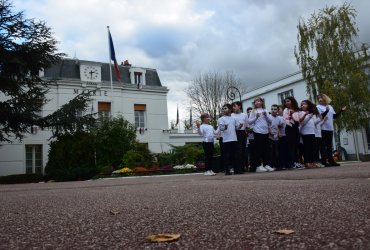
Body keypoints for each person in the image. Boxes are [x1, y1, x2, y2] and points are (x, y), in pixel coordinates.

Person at [316, 94, 346, 166]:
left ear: (325, 98)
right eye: (318, 98)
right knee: (323, 146)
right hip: (322, 128)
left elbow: (334, 116)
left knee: (329, 145)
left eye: (321, 98)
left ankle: (331, 160)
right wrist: (326, 111)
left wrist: (341, 111)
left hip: (330, 128)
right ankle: (324, 161)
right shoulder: (318, 107)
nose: (319, 99)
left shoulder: (330, 107)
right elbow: (320, 116)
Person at [247, 97, 274, 172]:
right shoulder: (253, 111)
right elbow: (249, 122)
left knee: (266, 149)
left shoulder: (265, 110)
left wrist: (266, 115)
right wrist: (256, 117)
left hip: (265, 132)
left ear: (262, 102)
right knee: (258, 149)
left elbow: (270, 121)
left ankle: (267, 164)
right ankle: (258, 166)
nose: (256, 103)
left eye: (258, 101)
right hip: (257, 131)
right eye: (255, 102)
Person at [216, 104, 239, 175]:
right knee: (227, 155)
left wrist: (239, 126)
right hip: (226, 139)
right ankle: (227, 170)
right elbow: (221, 128)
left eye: (225, 108)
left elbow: (236, 128)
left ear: (230, 109)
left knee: (234, 155)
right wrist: (224, 127)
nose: (223, 110)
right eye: (223, 109)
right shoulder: (221, 119)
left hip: (234, 138)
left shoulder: (233, 118)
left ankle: (236, 169)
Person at [283, 96, 303, 169]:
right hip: (289, 128)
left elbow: (299, 120)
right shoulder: (286, 110)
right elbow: (286, 120)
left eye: (288, 101)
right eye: (285, 102)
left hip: (295, 128)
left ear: (292, 101)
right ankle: (292, 163)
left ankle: (296, 161)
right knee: (291, 146)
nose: (287, 103)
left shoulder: (297, 110)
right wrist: (290, 115)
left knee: (296, 146)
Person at [299, 100, 318, 169]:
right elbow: (302, 123)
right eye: (302, 104)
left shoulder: (311, 114)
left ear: (308, 105)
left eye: (305, 104)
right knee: (307, 148)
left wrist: (320, 119)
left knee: (312, 148)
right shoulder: (301, 113)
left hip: (312, 132)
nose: (303, 105)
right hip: (305, 133)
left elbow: (314, 123)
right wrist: (307, 116)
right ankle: (306, 162)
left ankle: (312, 162)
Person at [231, 101, 248, 173]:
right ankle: (237, 169)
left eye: (235, 106)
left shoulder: (244, 115)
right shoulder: (232, 115)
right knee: (238, 151)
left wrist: (247, 130)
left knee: (243, 150)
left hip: (243, 133)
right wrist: (238, 127)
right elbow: (232, 126)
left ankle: (242, 167)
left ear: (239, 106)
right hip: (235, 133)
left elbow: (247, 125)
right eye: (233, 106)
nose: (233, 108)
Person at [269, 104, 284, 170]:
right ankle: (272, 165)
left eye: (275, 109)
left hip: (276, 137)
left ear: (277, 110)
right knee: (271, 152)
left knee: (277, 151)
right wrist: (270, 132)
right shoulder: (269, 117)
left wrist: (279, 133)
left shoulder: (278, 118)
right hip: (269, 137)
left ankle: (278, 165)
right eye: (272, 109)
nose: (273, 110)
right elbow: (267, 125)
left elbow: (278, 126)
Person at [246, 107, 255, 172]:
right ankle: (250, 166)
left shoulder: (255, 119)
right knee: (249, 153)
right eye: (249, 112)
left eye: (251, 111)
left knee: (255, 152)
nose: (250, 113)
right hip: (249, 139)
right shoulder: (246, 120)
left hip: (256, 138)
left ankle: (255, 165)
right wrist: (248, 130)